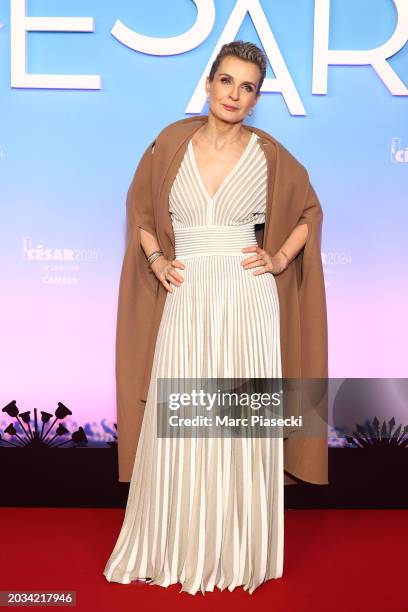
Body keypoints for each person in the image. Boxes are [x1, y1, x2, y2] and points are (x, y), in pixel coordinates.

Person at [103, 40, 328, 595]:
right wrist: (156, 259)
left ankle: (234, 550)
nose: (234, 94)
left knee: (236, 425)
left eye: (247, 87)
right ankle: (175, 544)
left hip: (248, 298)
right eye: (226, 81)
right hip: (186, 293)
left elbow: (309, 212)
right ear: (209, 83)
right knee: (180, 421)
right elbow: (141, 212)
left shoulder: (270, 153)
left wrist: (277, 258)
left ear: (256, 98)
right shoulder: (169, 143)